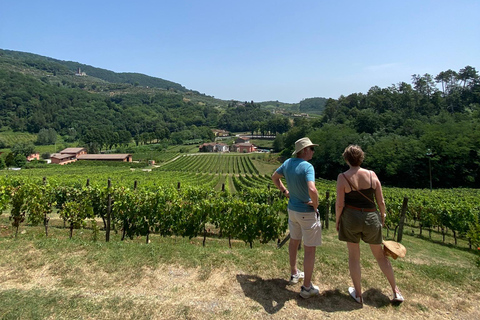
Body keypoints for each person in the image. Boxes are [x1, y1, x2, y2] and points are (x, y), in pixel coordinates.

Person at [335, 145, 404, 305]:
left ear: (346, 159)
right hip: (371, 217)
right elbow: (381, 201)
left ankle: (358, 295)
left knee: (354, 256)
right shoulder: (372, 175)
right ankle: (396, 291)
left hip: (351, 218)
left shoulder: (342, 177)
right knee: (380, 256)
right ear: (361, 158)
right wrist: (382, 216)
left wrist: (338, 220)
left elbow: (340, 204)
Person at [272, 137, 322, 299]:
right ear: (305, 151)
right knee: (309, 249)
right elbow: (312, 189)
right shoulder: (307, 166)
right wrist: (315, 205)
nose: (313, 151)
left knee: (294, 241)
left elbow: (274, 177)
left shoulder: (287, 163)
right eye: (311, 148)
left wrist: (285, 192)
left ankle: (294, 272)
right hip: (306, 213)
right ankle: (306, 287)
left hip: (292, 209)